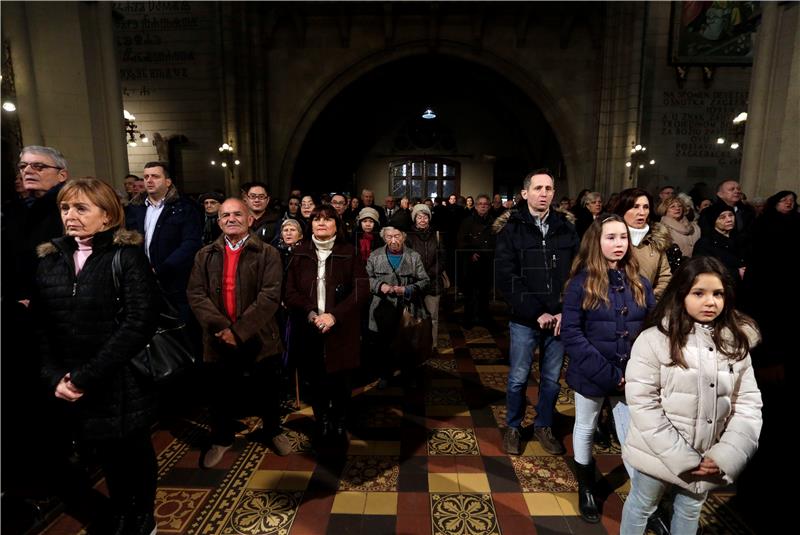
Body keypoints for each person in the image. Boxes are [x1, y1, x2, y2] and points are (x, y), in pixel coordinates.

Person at [34, 178, 161, 534]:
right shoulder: (50, 259)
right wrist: (54, 376)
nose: (70, 216)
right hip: (73, 380)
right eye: (65, 208)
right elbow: (43, 326)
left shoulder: (126, 256)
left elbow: (139, 323)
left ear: (106, 216)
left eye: (81, 208)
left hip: (119, 379)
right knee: (106, 455)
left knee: (134, 452)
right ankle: (121, 512)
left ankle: (142, 515)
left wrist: (87, 375)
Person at [620, 256, 762, 535]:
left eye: (718, 294)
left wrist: (725, 455)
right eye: (699, 293)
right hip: (658, 453)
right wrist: (683, 457)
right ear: (681, 293)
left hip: (709, 456)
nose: (710, 302)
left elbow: (747, 405)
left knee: (689, 511)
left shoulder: (735, 344)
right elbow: (643, 403)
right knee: (642, 506)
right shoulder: (654, 341)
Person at [561, 214, 655, 524]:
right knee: (586, 427)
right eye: (611, 237)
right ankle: (586, 484)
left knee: (631, 436)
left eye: (623, 238)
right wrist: (611, 375)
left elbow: (650, 329)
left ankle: (642, 500)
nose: (618, 244)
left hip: (631, 374)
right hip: (593, 371)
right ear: (596, 242)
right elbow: (573, 334)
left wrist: (638, 370)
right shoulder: (580, 283)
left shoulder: (640, 283)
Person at [187, 198, 291, 467]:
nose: (230, 219)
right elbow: (196, 294)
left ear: (250, 219)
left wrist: (240, 330)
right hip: (218, 338)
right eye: (225, 215)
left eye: (237, 214)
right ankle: (221, 438)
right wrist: (223, 329)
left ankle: (273, 431)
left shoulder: (268, 253)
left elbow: (269, 296)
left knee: (268, 390)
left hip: (259, 336)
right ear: (218, 221)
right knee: (220, 393)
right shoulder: (205, 254)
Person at [494, 169, 579, 455]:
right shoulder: (512, 229)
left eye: (549, 188)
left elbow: (576, 274)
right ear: (525, 193)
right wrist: (535, 312)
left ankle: (544, 425)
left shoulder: (566, 229)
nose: (544, 193)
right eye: (538, 188)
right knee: (518, 377)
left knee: (552, 380)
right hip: (525, 319)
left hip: (559, 319)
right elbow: (507, 277)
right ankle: (514, 427)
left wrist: (565, 311)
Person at [284, 206, 369, 445]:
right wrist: (311, 314)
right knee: (315, 377)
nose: (321, 223)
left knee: (341, 379)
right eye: (316, 219)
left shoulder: (348, 252)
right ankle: (321, 419)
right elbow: (289, 292)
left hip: (340, 327)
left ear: (336, 224)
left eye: (327, 219)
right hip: (309, 326)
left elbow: (361, 289)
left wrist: (334, 316)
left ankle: (340, 420)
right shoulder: (300, 253)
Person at [125, 161, 202, 321]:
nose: (149, 180)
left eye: (155, 176)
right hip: (141, 281)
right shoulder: (135, 208)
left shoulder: (184, 208)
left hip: (175, 282)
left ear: (168, 181)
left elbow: (190, 243)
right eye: (146, 177)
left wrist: (161, 268)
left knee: (178, 332)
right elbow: (128, 240)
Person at [366, 226, 430, 388]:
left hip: (407, 309)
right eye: (389, 237)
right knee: (383, 344)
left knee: (408, 344)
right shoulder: (375, 255)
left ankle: (408, 375)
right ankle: (385, 375)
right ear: (383, 238)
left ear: (403, 236)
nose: (393, 240)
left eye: (397, 236)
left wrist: (407, 289)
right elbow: (365, 279)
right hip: (382, 308)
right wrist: (380, 286)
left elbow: (425, 281)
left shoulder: (413, 256)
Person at [611, 188, 672, 299]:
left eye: (646, 207)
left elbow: (664, 278)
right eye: (635, 207)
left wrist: (649, 299)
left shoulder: (656, 241)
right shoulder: (607, 239)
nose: (642, 212)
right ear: (623, 209)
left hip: (646, 308)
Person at [405, 203, 446, 353]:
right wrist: (419, 274)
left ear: (429, 218)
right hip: (415, 282)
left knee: (433, 316)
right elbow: (407, 259)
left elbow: (442, 259)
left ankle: (432, 345)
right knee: (415, 317)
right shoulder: (408, 237)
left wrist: (429, 274)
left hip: (433, 282)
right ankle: (416, 346)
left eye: (425, 217)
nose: (422, 220)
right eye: (419, 217)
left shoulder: (437, 235)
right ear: (415, 219)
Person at [456, 194, 496, 328]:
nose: (483, 206)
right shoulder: (467, 221)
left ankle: (484, 318)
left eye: (486, 204)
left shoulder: (494, 221)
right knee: (470, 293)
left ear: (489, 206)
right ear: (476, 206)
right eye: (480, 204)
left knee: (485, 293)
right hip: (471, 262)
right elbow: (461, 241)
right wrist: (470, 253)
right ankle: (468, 319)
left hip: (488, 262)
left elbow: (497, 240)